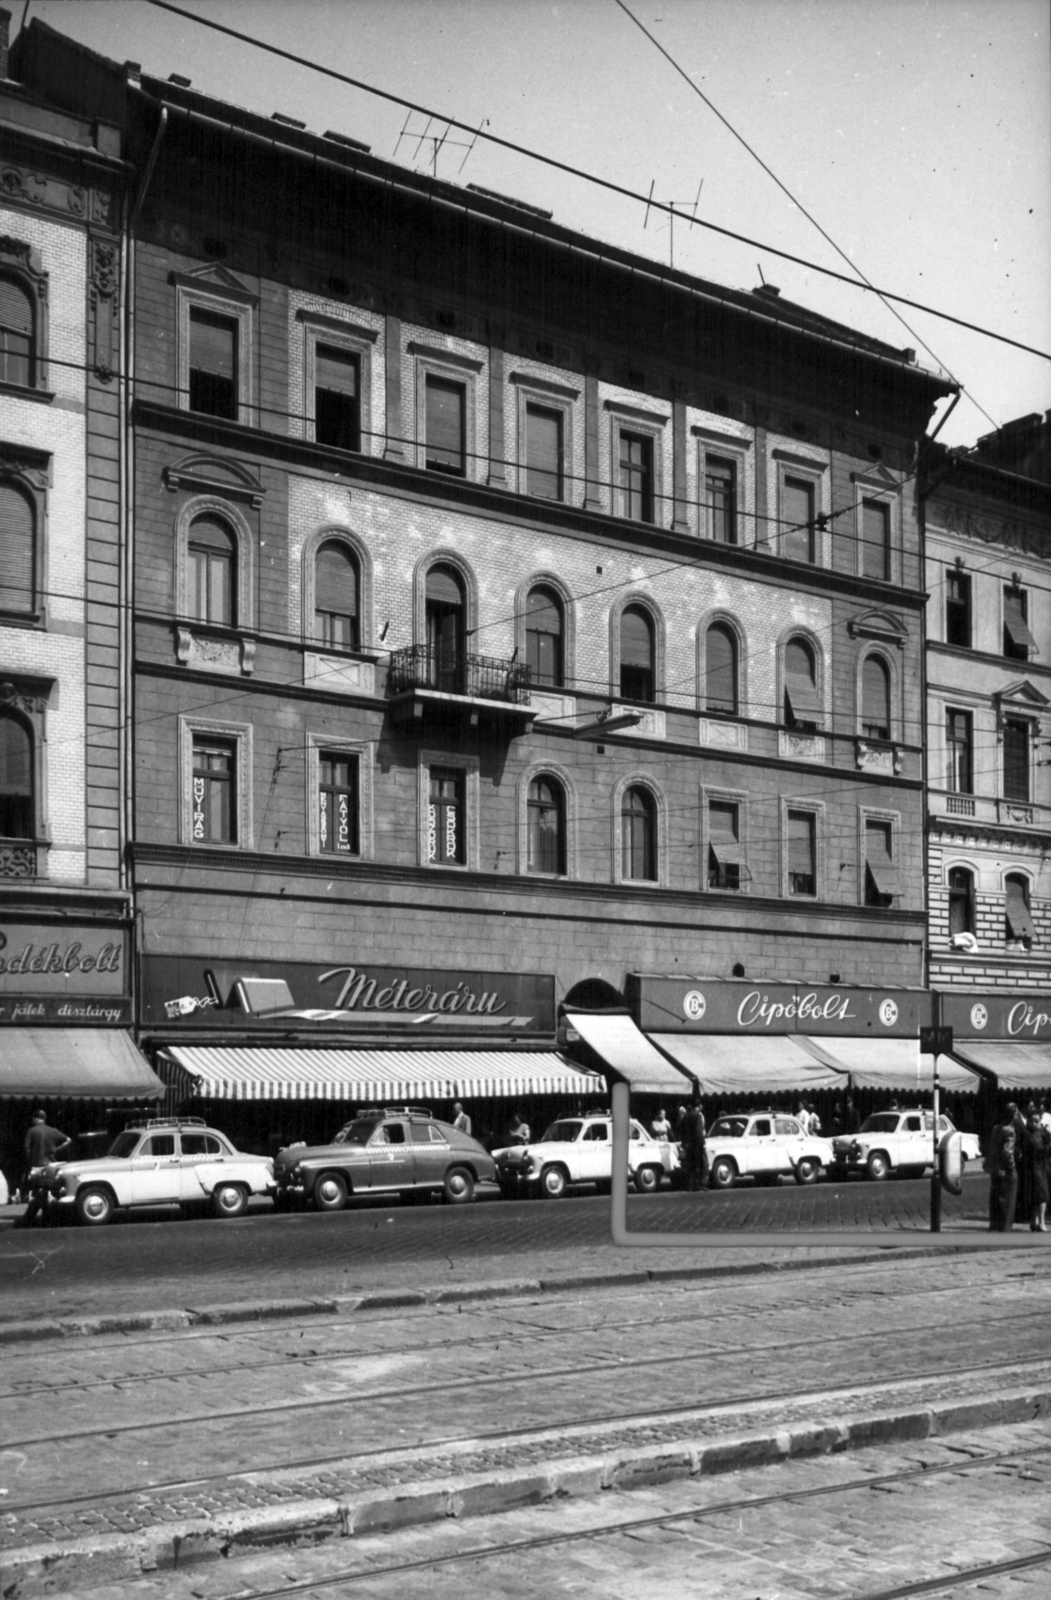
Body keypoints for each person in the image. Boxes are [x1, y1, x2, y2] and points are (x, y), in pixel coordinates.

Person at [17, 1112, 71, 1228]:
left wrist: (29, 1163)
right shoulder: (52, 1130)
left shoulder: (32, 1131)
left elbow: (27, 1149)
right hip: (51, 1167)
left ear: (36, 1118)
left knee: (38, 1193)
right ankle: (46, 1218)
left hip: (37, 1167)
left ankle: (32, 1219)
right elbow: (68, 1140)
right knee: (48, 1192)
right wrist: (56, 1149)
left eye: (33, 1118)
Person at [1018, 1108, 1050, 1232]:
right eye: (1033, 1121)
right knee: (1042, 1196)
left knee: (1036, 1197)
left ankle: (1034, 1221)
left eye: (1038, 1121)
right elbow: (1038, 1149)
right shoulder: (1027, 1134)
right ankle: (1041, 1222)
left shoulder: (1039, 1131)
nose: (1036, 1124)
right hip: (1034, 1168)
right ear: (1029, 1121)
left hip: (1039, 1167)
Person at [988, 1103, 1019, 1232]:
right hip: (1005, 1170)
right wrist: (1011, 1168)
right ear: (1013, 1115)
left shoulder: (996, 1128)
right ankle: (1005, 1227)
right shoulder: (1009, 1130)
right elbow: (1007, 1152)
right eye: (1016, 1113)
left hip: (995, 1168)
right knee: (1008, 1200)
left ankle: (994, 1225)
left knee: (995, 1197)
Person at [680, 1096, 707, 1191]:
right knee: (699, 1164)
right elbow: (699, 1131)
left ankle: (690, 1185)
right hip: (696, 1144)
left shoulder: (686, 1116)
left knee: (690, 1165)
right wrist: (702, 1143)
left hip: (688, 1144)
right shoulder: (698, 1115)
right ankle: (699, 1184)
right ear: (699, 1106)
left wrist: (684, 1142)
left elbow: (682, 1130)